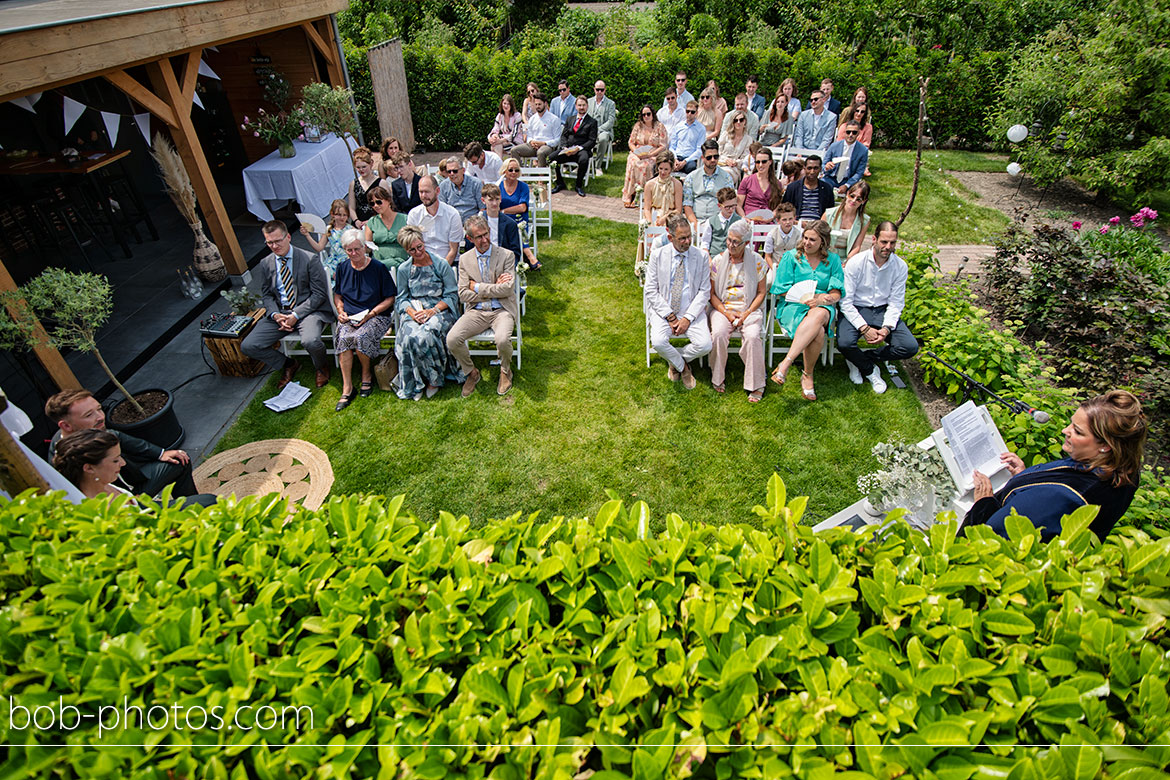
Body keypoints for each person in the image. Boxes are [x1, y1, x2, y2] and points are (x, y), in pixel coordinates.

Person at [966, 391, 1147, 541]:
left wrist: (983, 502)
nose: (1065, 430)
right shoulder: (1122, 468)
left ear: (1105, 446)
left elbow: (993, 537)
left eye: (1077, 431)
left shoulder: (1062, 497)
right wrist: (1024, 475)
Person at [45, 389, 200, 499]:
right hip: (121, 502)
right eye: (89, 415)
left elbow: (120, 437)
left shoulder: (95, 430)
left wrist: (161, 453)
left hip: (134, 482)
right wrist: (128, 501)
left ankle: (192, 510)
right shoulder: (63, 460)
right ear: (66, 426)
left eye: (99, 409)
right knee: (207, 501)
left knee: (180, 460)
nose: (100, 417)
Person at [242, 220, 334, 388]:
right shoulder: (265, 263)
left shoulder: (309, 259)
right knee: (248, 345)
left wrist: (295, 315)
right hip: (279, 313)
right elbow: (267, 294)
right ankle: (288, 364)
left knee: (311, 341)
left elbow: (319, 294)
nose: (275, 246)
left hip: (307, 311)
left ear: (288, 237)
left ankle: (321, 366)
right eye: (270, 242)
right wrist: (275, 314)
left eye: (278, 240)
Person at [837, 221, 918, 393]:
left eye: (892, 243)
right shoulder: (856, 262)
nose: (888, 247)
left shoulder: (900, 266)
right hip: (857, 308)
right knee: (844, 343)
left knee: (909, 346)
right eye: (884, 242)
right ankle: (871, 370)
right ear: (874, 239)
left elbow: (896, 302)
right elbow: (845, 301)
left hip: (883, 310)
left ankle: (860, 359)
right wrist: (864, 328)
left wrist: (887, 328)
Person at [769, 219, 844, 401]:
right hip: (794, 306)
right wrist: (801, 298)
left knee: (819, 313)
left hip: (822, 306)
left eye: (812, 240)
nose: (806, 243)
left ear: (823, 243)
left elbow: (836, 292)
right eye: (805, 238)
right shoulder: (791, 257)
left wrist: (822, 299)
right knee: (817, 332)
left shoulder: (833, 260)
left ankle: (785, 364)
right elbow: (780, 288)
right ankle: (808, 375)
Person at [448, 215, 519, 397]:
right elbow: (463, 294)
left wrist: (477, 286)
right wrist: (495, 287)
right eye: (479, 237)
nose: (485, 239)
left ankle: (505, 370)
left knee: (502, 339)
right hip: (477, 312)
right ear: (470, 239)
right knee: (452, 339)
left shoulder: (506, 255)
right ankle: (471, 372)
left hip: (501, 310)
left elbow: (508, 289)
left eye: (486, 234)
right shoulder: (464, 260)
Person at [53, 429, 216, 507]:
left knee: (202, 499)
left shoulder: (99, 482)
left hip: (140, 500)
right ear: (89, 468)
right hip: (149, 520)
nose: (122, 464)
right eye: (116, 460)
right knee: (209, 501)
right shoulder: (95, 508)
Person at [392, 225, 462, 400]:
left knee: (426, 336)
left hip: (439, 310)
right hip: (414, 310)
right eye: (412, 250)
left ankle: (434, 380)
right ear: (406, 250)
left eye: (419, 247)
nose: (417, 252)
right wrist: (411, 312)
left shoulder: (440, 265)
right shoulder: (404, 270)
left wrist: (433, 311)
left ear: (423, 242)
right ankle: (415, 382)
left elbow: (452, 295)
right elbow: (401, 298)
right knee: (409, 337)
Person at [644, 214, 712, 390]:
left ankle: (675, 361)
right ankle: (684, 367)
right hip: (664, 310)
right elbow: (650, 290)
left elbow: (704, 291)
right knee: (658, 341)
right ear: (670, 237)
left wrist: (687, 318)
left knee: (705, 345)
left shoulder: (701, 257)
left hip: (691, 310)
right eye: (682, 238)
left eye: (689, 236)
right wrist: (671, 317)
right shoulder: (657, 255)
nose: (687, 241)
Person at [332, 228, 397, 410]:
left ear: (364, 247)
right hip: (350, 316)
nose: (354, 253)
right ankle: (347, 387)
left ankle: (366, 375)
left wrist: (372, 313)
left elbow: (390, 298)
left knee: (361, 337)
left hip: (375, 315)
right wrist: (340, 310)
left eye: (357, 249)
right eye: (349, 250)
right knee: (344, 338)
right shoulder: (342, 268)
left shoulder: (378, 268)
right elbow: (338, 295)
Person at [708, 220, 768, 402]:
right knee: (718, 333)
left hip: (749, 308)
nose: (730, 245)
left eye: (735, 242)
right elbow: (711, 294)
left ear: (746, 244)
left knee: (752, 336)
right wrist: (726, 313)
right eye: (729, 240)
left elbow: (761, 292)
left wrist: (747, 313)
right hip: (723, 308)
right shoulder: (718, 261)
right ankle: (718, 376)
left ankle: (756, 384)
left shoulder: (757, 261)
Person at [406, 175, 463, 265]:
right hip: (423, 262)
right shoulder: (414, 214)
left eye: (427, 192)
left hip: (448, 263)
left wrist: (442, 270)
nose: (424, 196)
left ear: (437, 191)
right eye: (421, 192)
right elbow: (414, 247)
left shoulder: (452, 214)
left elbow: (453, 249)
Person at [622, 105, 668, 208]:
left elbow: (663, 145)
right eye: (644, 115)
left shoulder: (660, 127)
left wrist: (651, 154)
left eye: (648, 114)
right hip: (638, 152)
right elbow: (631, 142)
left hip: (654, 153)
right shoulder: (638, 126)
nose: (646, 116)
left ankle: (642, 196)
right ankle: (630, 194)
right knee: (633, 162)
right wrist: (637, 152)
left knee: (646, 165)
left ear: (653, 114)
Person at [684, 140, 739, 226]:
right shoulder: (691, 177)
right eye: (709, 157)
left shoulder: (726, 177)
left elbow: (729, 204)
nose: (713, 160)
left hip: (719, 221)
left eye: (716, 157)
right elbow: (687, 205)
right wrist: (695, 225)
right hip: (697, 220)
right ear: (702, 158)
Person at [551, 96, 597, 197]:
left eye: (584, 105)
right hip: (567, 149)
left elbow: (592, 141)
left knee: (584, 160)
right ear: (576, 106)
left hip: (582, 150)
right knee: (551, 158)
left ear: (587, 106)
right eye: (579, 105)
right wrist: (564, 147)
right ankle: (559, 183)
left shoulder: (592, 122)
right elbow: (564, 135)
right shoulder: (570, 119)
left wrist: (578, 148)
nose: (581, 107)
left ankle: (578, 185)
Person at [299, 198, 350, 282]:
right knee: (320, 273)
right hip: (334, 261)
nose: (342, 217)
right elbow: (319, 247)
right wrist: (307, 235)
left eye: (345, 215)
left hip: (348, 259)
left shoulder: (350, 229)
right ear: (332, 214)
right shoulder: (329, 229)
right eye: (338, 214)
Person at [822, 181, 871, 261]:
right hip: (826, 255)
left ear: (863, 201)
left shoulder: (864, 221)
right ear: (847, 194)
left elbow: (857, 246)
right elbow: (819, 238)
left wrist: (848, 261)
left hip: (847, 257)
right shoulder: (828, 214)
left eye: (858, 199)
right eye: (852, 196)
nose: (854, 200)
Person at [509, 92, 561, 166]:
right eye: (536, 104)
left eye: (539, 104)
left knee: (541, 152)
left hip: (547, 146)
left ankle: (541, 176)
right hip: (533, 146)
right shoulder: (532, 119)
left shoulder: (554, 119)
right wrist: (531, 142)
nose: (537, 106)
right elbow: (529, 135)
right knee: (514, 150)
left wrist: (544, 143)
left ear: (545, 104)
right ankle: (520, 174)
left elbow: (557, 140)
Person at [363, 185, 408, 267]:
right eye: (372, 203)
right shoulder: (371, 222)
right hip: (379, 262)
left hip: (401, 262)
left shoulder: (405, 219)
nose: (376, 205)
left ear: (388, 200)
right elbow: (368, 246)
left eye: (379, 202)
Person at [782, 155, 835, 225]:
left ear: (820, 169)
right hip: (797, 224)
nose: (812, 172)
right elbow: (784, 210)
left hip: (819, 225)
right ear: (805, 168)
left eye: (816, 168)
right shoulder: (793, 188)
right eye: (809, 168)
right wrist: (798, 223)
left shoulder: (827, 188)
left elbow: (830, 212)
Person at [822, 121, 870, 196]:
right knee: (820, 187)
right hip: (831, 178)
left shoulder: (863, 150)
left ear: (858, 133)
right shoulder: (834, 146)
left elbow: (859, 172)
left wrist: (847, 185)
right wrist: (826, 167)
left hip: (848, 180)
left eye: (854, 132)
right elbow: (824, 163)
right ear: (844, 132)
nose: (851, 135)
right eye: (848, 132)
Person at [481, 183, 524, 264]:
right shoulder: (478, 222)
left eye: (497, 199)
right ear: (483, 200)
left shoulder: (510, 223)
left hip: (503, 261)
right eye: (490, 200)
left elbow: (515, 252)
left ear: (500, 199)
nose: (494, 203)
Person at [738, 148, 782, 218]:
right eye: (757, 162)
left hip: (768, 220)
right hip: (749, 218)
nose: (760, 165)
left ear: (770, 162)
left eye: (764, 162)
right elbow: (738, 205)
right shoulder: (747, 181)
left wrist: (771, 217)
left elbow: (777, 207)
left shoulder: (777, 184)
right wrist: (744, 218)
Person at [763, 202, 801, 283]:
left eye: (790, 219)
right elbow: (767, 256)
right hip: (775, 266)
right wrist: (774, 269)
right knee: (768, 281)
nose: (788, 222)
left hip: (793, 267)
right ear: (778, 221)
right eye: (784, 220)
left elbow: (800, 254)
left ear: (794, 218)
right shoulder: (772, 234)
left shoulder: (798, 235)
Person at [439, 156, 485, 223]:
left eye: (455, 171)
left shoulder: (476, 184)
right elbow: (441, 210)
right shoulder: (443, 186)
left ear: (463, 170)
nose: (452, 174)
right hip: (452, 223)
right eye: (449, 172)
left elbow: (482, 208)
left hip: (474, 223)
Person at [643, 151, 683, 227]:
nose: (662, 172)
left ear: (671, 169)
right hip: (654, 216)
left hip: (672, 217)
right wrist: (650, 223)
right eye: (660, 168)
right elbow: (647, 209)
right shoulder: (650, 184)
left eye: (666, 169)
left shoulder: (677, 184)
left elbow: (678, 210)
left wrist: (665, 218)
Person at [699, 187, 742, 256]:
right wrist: (709, 260)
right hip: (714, 258)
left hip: (733, 259)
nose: (731, 209)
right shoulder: (711, 221)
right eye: (727, 207)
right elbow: (705, 243)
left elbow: (744, 243)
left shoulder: (740, 221)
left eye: (733, 206)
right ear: (719, 206)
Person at [791, 90, 837, 155]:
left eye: (816, 99)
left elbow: (827, 139)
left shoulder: (831, 117)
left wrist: (816, 154)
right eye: (811, 100)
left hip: (819, 151)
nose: (813, 102)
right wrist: (799, 151)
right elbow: (799, 135)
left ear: (823, 100)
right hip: (801, 149)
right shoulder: (803, 115)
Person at [347, 147, 382, 230]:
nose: (361, 170)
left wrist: (373, 220)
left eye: (364, 166)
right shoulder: (353, 184)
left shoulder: (381, 183)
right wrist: (356, 221)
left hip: (377, 221)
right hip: (359, 222)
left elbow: (388, 205)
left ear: (371, 164)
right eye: (358, 168)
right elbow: (351, 207)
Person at [717, 109, 753, 185]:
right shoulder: (725, 134)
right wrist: (726, 160)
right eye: (735, 120)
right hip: (721, 163)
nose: (738, 122)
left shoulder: (748, 140)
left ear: (745, 121)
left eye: (741, 120)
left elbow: (746, 159)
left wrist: (735, 162)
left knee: (726, 175)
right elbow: (717, 151)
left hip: (734, 168)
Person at [668, 101, 706, 173]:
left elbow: (699, 150)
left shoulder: (701, 129)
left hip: (690, 159)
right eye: (687, 111)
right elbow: (672, 146)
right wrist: (675, 159)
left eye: (692, 112)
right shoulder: (678, 126)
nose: (689, 114)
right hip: (677, 157)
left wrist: (685, 161)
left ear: (696, 113)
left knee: (691, 168)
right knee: (663, 165)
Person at [588, 80, 616, 165]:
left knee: (603, 138)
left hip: (604, 131)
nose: (599, 92)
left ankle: (598, 166)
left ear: (605, 90)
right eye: (597, 89)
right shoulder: (588, 102)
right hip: (590, 130)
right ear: (594, 89)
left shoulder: (611, 103)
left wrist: (598, 129)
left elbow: (611, 122)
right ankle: (582, 165)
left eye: (602, 90)